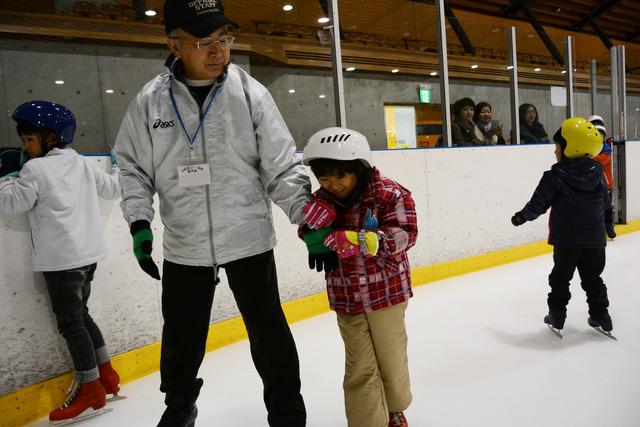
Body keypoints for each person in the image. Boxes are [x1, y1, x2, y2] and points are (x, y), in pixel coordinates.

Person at [114, 1, 335, 426]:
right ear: (174, 45)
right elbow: (132, 167)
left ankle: (288, 414)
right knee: (180, 337)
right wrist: (140, 222)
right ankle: (179, 406)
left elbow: (281, 165)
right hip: (185, 242)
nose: (218, 51)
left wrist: (307, 219)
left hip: (247, 237)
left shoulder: (249, 93)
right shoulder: (150, 102)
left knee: (269, 333)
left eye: (223, 39)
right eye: (203, 42)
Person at [0, 101, 122, 424]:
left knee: (71, 324)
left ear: (50, 137)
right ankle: (107, 374)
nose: (25, 147)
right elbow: (112, 188)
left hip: (61, 262)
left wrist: (3, 176)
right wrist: (119, 164)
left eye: (29, 140)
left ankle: (91, 388)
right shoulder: (80, 162)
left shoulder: (34, 170)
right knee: (81, 316)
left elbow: (12, 204)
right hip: (88, 257)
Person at [301, 127, 418, 427]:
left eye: (339, 176)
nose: (332, 184)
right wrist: (312, 233)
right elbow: (306, 230)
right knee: (359, 368)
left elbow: (406, 234)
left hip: (386, 295)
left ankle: (394, 411)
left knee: (390, 361)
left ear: (359, 168)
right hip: (347, 297)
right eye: (324, 177)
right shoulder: (322, 201)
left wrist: (367, 240)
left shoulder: (390, 194)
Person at [511, 117, 614, 338]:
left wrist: (521, 217)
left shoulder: (555, 175)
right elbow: (606, 203)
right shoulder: (598, 173)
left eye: (557, 146)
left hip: (566, 241)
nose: (555, 151)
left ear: (570, 147)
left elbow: (537, 205)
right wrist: (606, 224)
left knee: (560, 279)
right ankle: (602, 315)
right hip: (595, 241)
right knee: (593, 278)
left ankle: (557, 316)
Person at [588, 115, 616, 239]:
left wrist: (590, 157)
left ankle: (609, 227)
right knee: (594, 207)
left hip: (606, 183)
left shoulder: (606, 148)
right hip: (592, 184)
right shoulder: (587, 147)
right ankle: (597, 228)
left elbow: (601, 160)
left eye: (601, 134)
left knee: (607, 206)